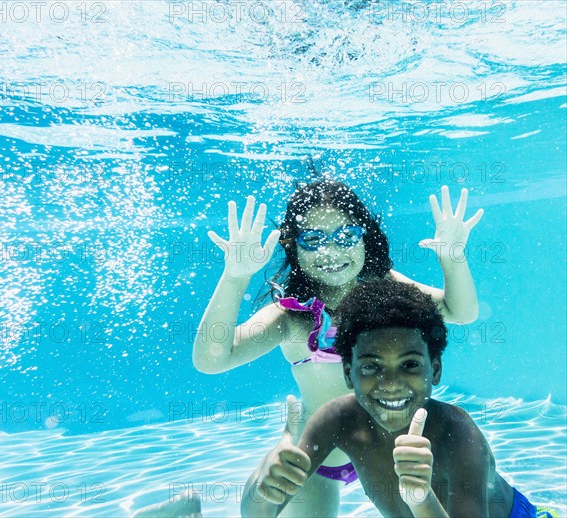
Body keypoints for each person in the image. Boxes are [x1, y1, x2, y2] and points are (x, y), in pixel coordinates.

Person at [189, 180, 482, 517]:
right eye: (313, 240)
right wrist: (235, 276)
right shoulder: (292, 317)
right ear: (293, 247)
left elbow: (459, 311)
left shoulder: (386, 288)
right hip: (319, 455)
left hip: (392, 451)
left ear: (364, 236)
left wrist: (453, 258)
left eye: (346, 236)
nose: (330, 252)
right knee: (259, 512)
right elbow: (211, 360)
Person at [241, 280, 557, 518]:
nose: (390, 383)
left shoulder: (457, 433)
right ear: (349, 374)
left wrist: (421, 499)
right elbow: (260, 513)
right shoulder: (336, 419)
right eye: (371, 366)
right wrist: (265, 487)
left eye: (409, 365)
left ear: (434, 370)